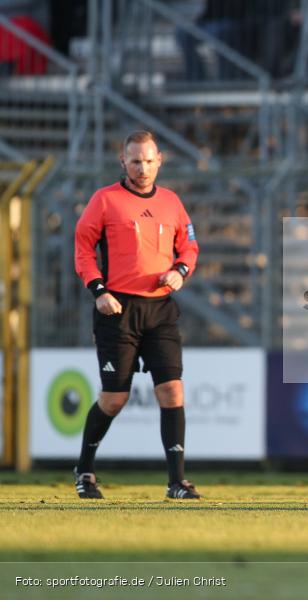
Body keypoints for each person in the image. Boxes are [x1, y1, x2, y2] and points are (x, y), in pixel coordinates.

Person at [73, 131, 200, 500]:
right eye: (134, 161)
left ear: (159, 159)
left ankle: (176, 482)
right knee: (115, 398)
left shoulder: (172, 202)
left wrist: (180, 270)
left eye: (148, 160)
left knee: (172, 390)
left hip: (159, 308)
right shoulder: (105, 200)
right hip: (118, 310)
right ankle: (84, 470)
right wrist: (98, 290)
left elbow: (189, 246)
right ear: (123, 162)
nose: (142, 168)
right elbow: (82, 247)